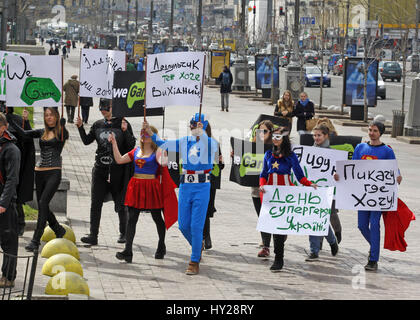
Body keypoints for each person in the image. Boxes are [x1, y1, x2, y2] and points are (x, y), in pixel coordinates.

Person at [143, 113, 219, 275]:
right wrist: (150, 132)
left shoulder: (211, 142)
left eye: (196, 125)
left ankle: (194, 261)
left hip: (202, 186)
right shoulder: (184, 141)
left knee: (196, 226)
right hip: (186, 186)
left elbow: (210, 149)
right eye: (191, 124)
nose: (192, 127)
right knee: (184, 224)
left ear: (203, 126)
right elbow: (164, 145)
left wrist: (202, 134)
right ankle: (197, 246)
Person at [334, 121, 402, 272]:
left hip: (377, 196)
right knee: (362, 225)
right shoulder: (360, 147)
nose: (371, 133)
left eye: (375, 131)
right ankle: (375, 247)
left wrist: (398, 177)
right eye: (370, 130)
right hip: (362, 195)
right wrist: (339, 175)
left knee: (374, 224)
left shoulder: (387, 150)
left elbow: (394, 170)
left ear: (381, 133)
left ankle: (373, 259)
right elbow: (351, 168)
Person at [109, 125, 178, 262]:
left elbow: (166, 163)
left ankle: (161, 245)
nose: (143, 135)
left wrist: (162, 146)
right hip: (136, 186)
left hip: (151, 187)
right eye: (141, 133)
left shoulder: (158, 151)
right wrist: (114, 143)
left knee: (157, 217)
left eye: (146, 133)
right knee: (132, 219)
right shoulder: (136, 151)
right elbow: (119, 160)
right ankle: (128, 251)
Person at [76, 99, 136, 246]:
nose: (103, 110)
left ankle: (123, 233)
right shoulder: (97, 125)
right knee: (95, 203)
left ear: (112, 107)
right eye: (101, 108)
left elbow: (131, 145)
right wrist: (80, 127)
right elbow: (86, 141)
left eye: (106, 108)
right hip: (100, 169)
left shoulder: (123, 122)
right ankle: (93, 234)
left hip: (118, 171)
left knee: (121, 203)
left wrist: (124, 131)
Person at [7, 108, 68, 252]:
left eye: (51, 115)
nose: (48, 118)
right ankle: (58, 229)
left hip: (54, 172)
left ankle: (35, 240)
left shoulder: (61, 132)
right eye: (46, 115)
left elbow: (63, 135)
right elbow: (24, 134)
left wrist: (63, 124)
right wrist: (18, 120)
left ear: (56, 116)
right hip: (39, 172)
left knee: (42, 202)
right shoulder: (42, 132)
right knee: (43, 206)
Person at [259, 126, 318, 272]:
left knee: (278, 229)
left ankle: (279, 259)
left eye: (278, 136)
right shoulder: (268, 154)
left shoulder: (291, 156)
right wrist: (261, 185)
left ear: (284, 138)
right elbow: (263, 174)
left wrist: (309, 183)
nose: (275, 139)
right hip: (271, 195)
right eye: (273, 136)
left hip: (285, 194)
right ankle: (277, 255)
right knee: (273, 226)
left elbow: (300, 175)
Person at [305, 124, 339, 262]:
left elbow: (339, 174)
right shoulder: (309, 152)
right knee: (313, 219)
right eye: (314, 135)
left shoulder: (332, 153)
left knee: (321, 219)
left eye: (319, 135)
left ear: (326, 136)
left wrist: (337, 175)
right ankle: (316, 250)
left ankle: (329, 243)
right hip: (312, 190)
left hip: (326, 192)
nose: (316, 138)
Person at [2, 107, 35, 237]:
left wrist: (26, 122)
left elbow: (27, 137)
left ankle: (19, 224)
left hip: (17, 164)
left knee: (17, 197)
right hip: (3, 165)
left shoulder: (18, 120)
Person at [0, 113, 21, 288]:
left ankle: (8, 276)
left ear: (3, 127)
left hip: (6, 203)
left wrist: (3, 203)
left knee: (9, 241)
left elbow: (12, 179)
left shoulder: (11, 150)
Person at [249, 120, 275, 258]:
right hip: (256, 188)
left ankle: (266, 246)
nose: (261, 134)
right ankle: (266, 242)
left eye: (265, 131)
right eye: (259, 131)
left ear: (270, 133)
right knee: (261, 216)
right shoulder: (252, 146)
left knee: (268, 216)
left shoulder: (275, 148)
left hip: (270, 188)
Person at [202, 123, 224, 250]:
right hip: (195, 182)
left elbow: (220, 166)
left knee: (206, 209)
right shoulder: (189, 143)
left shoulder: (214, 144)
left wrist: (220, 162)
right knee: (200, 210)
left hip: (210, 182)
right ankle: (204, 237)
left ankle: (206, 236)